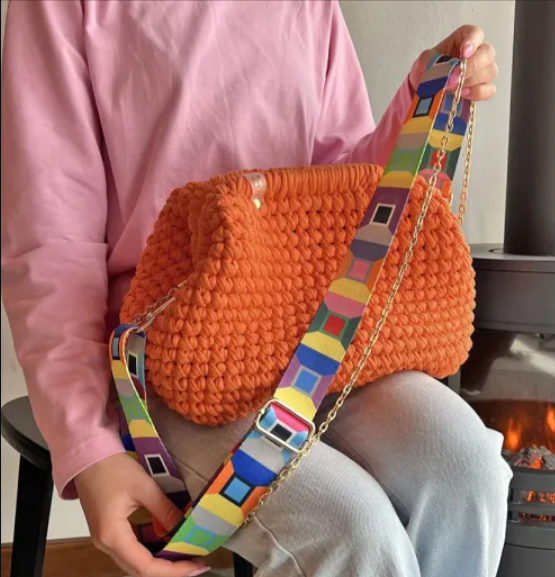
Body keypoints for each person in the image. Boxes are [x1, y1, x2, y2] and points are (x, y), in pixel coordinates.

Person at [1, 1, 510, 576]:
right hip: (167, 363)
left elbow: (336, 192)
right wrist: (88, 445)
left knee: (468, 472)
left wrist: (423, 103)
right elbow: (51, 244)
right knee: (352, 530)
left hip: (312, 332)